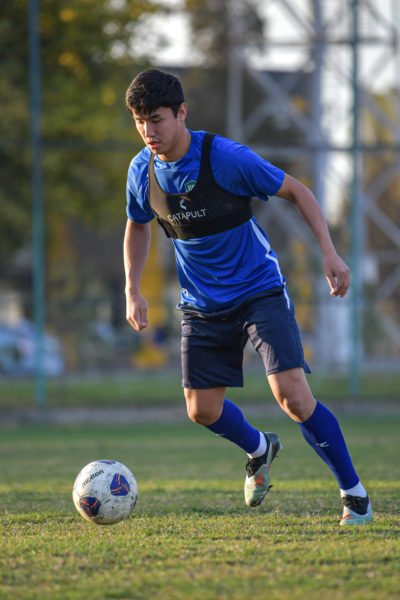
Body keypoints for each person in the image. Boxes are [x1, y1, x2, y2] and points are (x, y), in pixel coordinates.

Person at [123, 68, 372, 526]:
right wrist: (132, 288)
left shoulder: (225, 158)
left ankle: (354, 494)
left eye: (156, 120)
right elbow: (138, 225)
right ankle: (260, 448)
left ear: (181, 113)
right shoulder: (142, 170)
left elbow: (297, 190)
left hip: (259, 290)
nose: (148, 132)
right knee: (201, 410)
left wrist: (329, 253)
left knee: (293, 396)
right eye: (140, 122)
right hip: (201, 304)